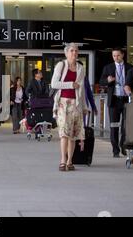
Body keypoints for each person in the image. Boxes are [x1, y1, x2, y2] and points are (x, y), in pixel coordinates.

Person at [51, 43, 88, 171]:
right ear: (66, 53)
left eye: (76, 51)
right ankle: (62, 160)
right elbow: (54, 84)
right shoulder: (61, 65)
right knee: (64, 133)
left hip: (76, 103)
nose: (74, 53)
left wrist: (84, 107)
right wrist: (70, 85)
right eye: (72, 51)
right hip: (63, 103)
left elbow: (82, 90)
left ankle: (70, 161)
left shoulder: (80, 68)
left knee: (73, 134)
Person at [99, 48, 133, 158]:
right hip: (114, 99)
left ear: (122, 55)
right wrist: (107, 80)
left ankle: (123, 145)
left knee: (126, 125)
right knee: (114, 126)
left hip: (126, 99)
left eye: (118, 55)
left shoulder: (130, 68)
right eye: (114, 56)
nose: (116, 57)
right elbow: (101, 82)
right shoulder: (108, 68)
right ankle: (115, 150)